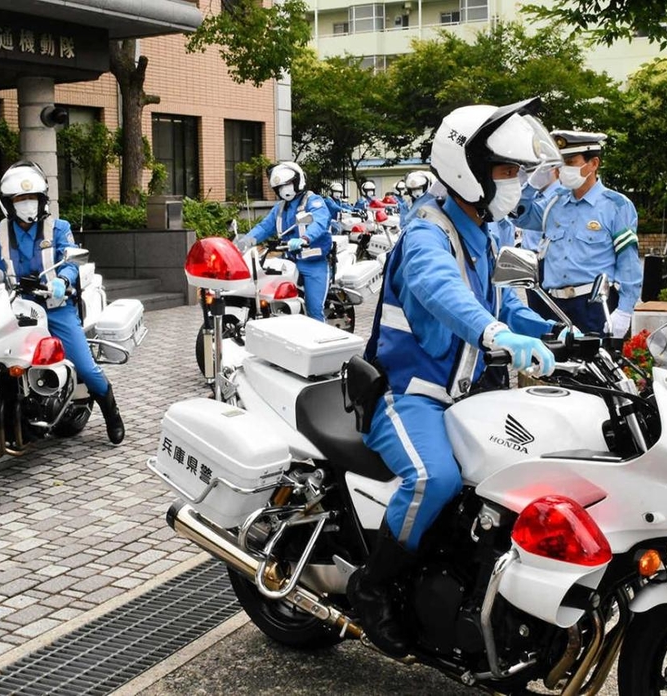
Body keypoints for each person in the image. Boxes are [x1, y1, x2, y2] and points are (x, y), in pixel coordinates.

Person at [348, 98, 563, 657]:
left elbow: (499, 304)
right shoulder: (427, 232)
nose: (515, 182)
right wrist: (495, 336)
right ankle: (373, 586)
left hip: (468, 396)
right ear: (466, 165)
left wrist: (554, 332)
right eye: (506, 170)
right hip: (410, 393)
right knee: (434, 479)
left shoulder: (482, 231)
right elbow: (445, 293)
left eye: (518, 171)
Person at [0, 160, 125, 444]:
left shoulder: (58, 228)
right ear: (8, 203)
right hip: (14, 308)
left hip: (55, 307)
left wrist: (62, 282)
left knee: (85, 365)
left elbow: (72, 258)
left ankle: (111, 413)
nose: (27, 204)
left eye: (32, 198)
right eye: (20, 199)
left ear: (42, 200)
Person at [513, 131, 641, 336]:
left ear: (593, 164)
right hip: (552, 306)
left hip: (593, 306)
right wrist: (532, 184)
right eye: (561, 163)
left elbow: (629, 263)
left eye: (571, 162)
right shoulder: (554, 202)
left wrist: (625, 311)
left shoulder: (615, 205)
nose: (564, 169)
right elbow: (518, 214)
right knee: (552, 368)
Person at [236, 162, 332, 322]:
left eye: (287, 184)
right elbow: (264, 227)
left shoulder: (313, 201)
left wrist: (304, 239)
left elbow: (319, 221)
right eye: (279, 187)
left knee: (314, 310)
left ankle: (322, 340)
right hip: (288, 261)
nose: (284, 190)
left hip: (313, 263)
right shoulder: (280, 208)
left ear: (297, 181)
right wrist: (245, 241)